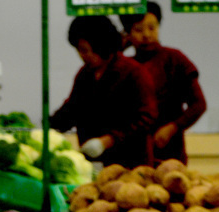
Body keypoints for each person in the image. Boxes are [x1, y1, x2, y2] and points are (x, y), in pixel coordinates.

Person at [50, 15, 157, 169]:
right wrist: (49, 127)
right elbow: (72, 109)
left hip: (131, 163)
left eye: (85, 50)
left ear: (101, 47)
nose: (82, 56)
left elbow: (147, 117)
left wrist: (109, 140)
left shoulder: (133, 73)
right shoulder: (85, 75)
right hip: (94, 162)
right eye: (79, 50)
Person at [119, 3, 207, 165]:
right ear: (128, 33)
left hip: (171, 152)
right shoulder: (125, 66)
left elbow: (199, 104)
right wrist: (119, 47)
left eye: (152, 28)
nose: (146, 35)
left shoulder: (175, 59)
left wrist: (173, 127)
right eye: (138, 30)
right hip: (131, 153)